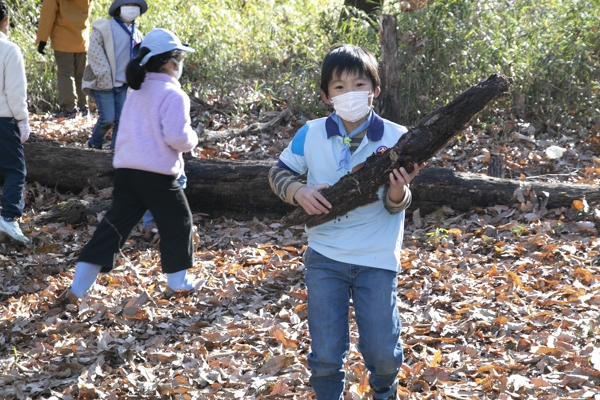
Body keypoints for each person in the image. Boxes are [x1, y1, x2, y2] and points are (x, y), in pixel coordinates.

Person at [268, 44, 422, 400]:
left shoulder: (397, 137)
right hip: (325, 256)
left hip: (377, 259)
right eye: (339, 87)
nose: (350, 94)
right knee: (325, 356)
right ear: (325, 95)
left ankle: (386, 390)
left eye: (359, 85)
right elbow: (278, 172)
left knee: (383, 356)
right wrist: (298, 192)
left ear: (375, 90)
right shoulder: (310, 133)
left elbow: (397, 203)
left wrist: (399, 191)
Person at [64, 28, 199, 304]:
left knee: (112, 229)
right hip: (158, 176)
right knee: (178, 223)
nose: (180, 64)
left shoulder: (136, 91)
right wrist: (193, 138)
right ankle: (179, 284)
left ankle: (77, 289)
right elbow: (177, 138)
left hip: (126, 172)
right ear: (168, 62)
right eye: (178, 58)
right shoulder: (173, 95)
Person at [83, 0, 147, 149]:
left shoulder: (137, 34)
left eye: (135, 6)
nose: (132, 9)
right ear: (118, 9)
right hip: (104, 82)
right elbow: (94, 51)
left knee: (121, 120)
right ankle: (94, 144)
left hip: (124, 85)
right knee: (107, 119)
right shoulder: (105, 27)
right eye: (128, 5)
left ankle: (116, 150)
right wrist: (103, 73)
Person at [0, 0, 31, 244]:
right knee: (15, 169)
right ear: (5, 22)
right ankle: (8, 217)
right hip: (3, 118)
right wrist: (22, 120)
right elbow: (15, 92)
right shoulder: (9, 49)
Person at [35, 0, 93, 119]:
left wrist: (42, 39)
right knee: (80, 74)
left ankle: (69, 109)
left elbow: (48, 14)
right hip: (82, 39)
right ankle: (83, 107)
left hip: (63, 38)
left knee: (65, 74)